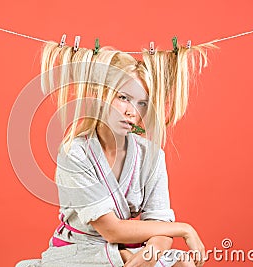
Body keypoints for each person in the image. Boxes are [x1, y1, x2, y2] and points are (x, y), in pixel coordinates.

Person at [16, 40, 213, 267]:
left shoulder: (151, 154)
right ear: (101, 97)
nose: (131, 112)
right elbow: (111, 230)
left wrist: (151, 253)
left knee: (184, 264)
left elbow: (159, 221)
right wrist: (184, 229)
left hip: (131, 246)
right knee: (121, 257)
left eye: (141, 103)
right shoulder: (75, 153)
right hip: (82, 251)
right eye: (123, 98)